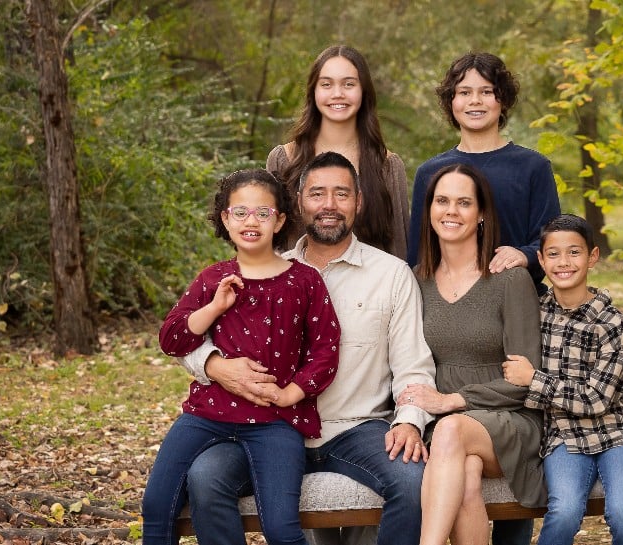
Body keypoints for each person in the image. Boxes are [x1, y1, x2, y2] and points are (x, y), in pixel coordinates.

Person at [180, 151, 436, 545]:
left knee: (412, 479)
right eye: (317, 193)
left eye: (341, 194)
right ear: (298, 203)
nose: (329, 205)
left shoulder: (391, 275)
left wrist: (408, 420)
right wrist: (214, 365)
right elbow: (188, 338)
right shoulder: (262, 268)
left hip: (356, 428)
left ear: (359, 202)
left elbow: (412, 366)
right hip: (267, 427)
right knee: (205, 476)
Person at [143, 169, 342, 545]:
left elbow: (326, 350)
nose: (251, 222)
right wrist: (214, 308)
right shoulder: (212, 279)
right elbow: (171, 337)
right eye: (240, 212)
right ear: (225, 218)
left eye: (263, 213)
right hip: (207, 415)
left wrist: (290, 394)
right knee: (157, 507)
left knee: (281, 527)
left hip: (276, 422)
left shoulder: (304, 281)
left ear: (279, 219)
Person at [398, 163, 545, 545]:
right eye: (442, 201)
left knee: (451, 431)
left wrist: (454, 400)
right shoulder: (417, 280)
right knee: (464, 478)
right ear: (428, 209)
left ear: (481, 214)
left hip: (509, 417)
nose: (451, 211)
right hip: (445, 423)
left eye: (464, 203)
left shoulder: (510, 279)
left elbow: (527, 380)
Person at [502, 214, 623, 545]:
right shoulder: (535, 313)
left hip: (617, 431)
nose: (563, 262)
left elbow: (596, 400)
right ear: (540, 260)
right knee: (565, 510)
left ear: (592, 257)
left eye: (574, 252)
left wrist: (534, 381)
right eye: (553, 254)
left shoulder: (612, 324)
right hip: (562, 435)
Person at [407, 51, 561, 296]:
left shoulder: (533, 167)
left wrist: (524, 254)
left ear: (504, 101)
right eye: (465, 92)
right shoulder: (430, 173)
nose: (475, 100)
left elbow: (552, 242)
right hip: (447, 304)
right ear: (451, 101)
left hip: (516, 300)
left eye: (487, 92)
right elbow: (418, 252)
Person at [269, 45, 409, 260]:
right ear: (313, 92)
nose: (337, 94)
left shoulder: (387, 166)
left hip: (370, 292)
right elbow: (269, 246)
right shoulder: (284, 160)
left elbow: (400, 250)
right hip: (298, 291)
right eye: (326, 84)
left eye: (349, 84)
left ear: (364, 91)